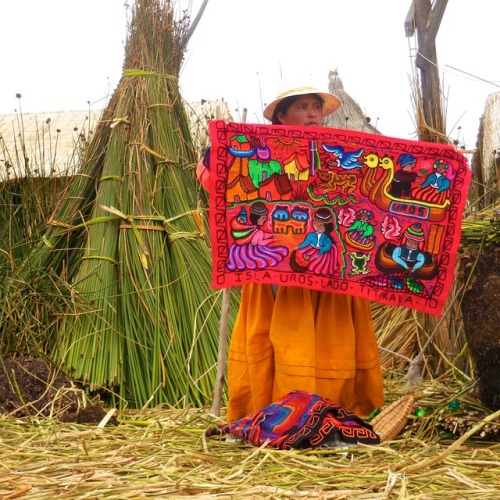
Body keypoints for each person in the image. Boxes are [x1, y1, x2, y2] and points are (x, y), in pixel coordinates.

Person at [197, 83, 384, 421]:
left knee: (333, 339)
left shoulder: (341, 153)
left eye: (316, 106)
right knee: (280, 338)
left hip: (330, 275)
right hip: (279, 276)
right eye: (302, 107)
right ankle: (278, 414)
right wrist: (217, 155)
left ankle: (329, 414)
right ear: (281, 116)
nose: (312, 112)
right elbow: (219, 184)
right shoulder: (257, 153)